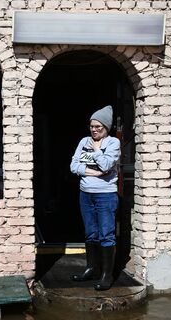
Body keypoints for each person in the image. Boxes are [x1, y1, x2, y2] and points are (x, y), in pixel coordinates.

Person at [69, 105, 120, 291]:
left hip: (105, 195)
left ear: (106, 127)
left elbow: (106, 165)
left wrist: (98, 150)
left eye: (98, 127)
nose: (94, 130)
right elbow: (74, 166)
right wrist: (92, 172)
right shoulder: (84, 141)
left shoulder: (113, 143)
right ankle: (91, 268)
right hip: (86, 194)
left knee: (106, 234)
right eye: (92, 126)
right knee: (91, 232)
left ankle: (107, 275)